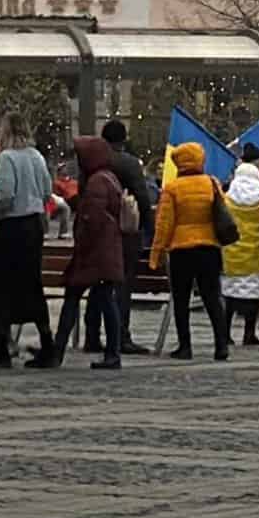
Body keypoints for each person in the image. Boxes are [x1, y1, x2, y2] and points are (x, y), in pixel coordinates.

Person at [0, 115, 58, 370]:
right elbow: (46, 190)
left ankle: (1, 347)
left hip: (12, 228)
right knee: (31, 286)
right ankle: (47, 343)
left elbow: (4, 194)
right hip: (33, 227)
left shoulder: (7, 157)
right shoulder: (36, 156)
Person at [149, 141, 231, 362]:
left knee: (181, 300)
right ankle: (221, 345)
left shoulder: (172, 188)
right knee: (212, 297)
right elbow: (222, 212)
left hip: (181, 250)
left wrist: (156, 255)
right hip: (209, 248)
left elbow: (164, 225)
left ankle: (185, 346)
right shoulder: (211, 183)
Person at [59, 135, 127, 370]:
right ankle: (112, 352)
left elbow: (93, 217)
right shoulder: (109, 179)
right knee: (104, 300)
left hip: (96, 253)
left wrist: (83, 243)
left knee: (76, 298)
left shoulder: (97, 181)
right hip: (105, 252)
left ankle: (58, 350)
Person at [99, 119, 156, 356]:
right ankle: (122, 335)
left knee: (97, 283)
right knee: (122, 284)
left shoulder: (94, 162)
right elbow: (143, 199)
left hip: (98, 231)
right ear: (124, 139)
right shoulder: (130, 163)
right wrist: (149, 229)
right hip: (124, 231)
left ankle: (93, 333)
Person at [220, 143, 259, 347]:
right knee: (253, 296)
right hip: (255, 254)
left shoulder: (227, 198)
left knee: (229, 295)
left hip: (231, 253)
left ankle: (225, 333)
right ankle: (249, 333)